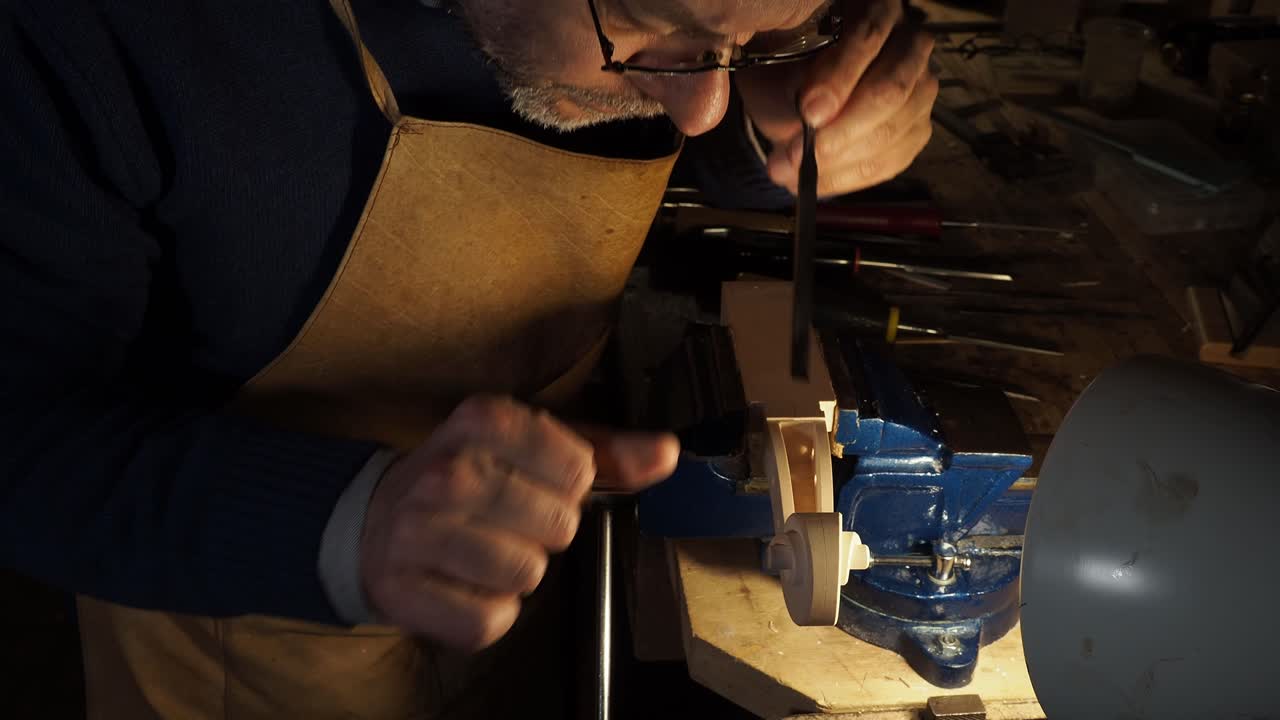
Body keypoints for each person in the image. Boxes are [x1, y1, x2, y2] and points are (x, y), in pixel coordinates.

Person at [0, 0, 937, 716]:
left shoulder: (674, 61)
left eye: (750, 45)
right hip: (237, 632)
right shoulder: (91, 37)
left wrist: (783, 102)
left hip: (533, 598)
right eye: (658, 30)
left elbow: (709, 116)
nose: (702, 108)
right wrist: (344, 524)